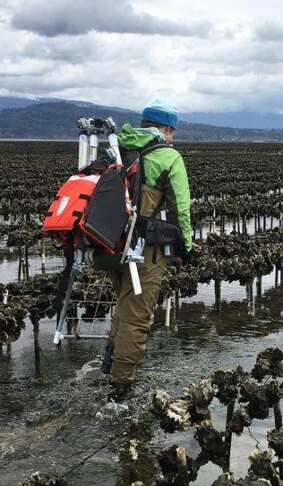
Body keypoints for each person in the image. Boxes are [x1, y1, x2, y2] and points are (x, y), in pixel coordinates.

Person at [103, 97, 193, 400]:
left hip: (110, 245)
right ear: (167, 130)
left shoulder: (119, 147)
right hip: (143, 251)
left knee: (123, 308)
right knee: (137, 318)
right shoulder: (168, 157)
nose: (173, 138)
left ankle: (107, 368)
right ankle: (119, 391)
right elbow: (180, 209)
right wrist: (187, 248)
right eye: (173, 132)